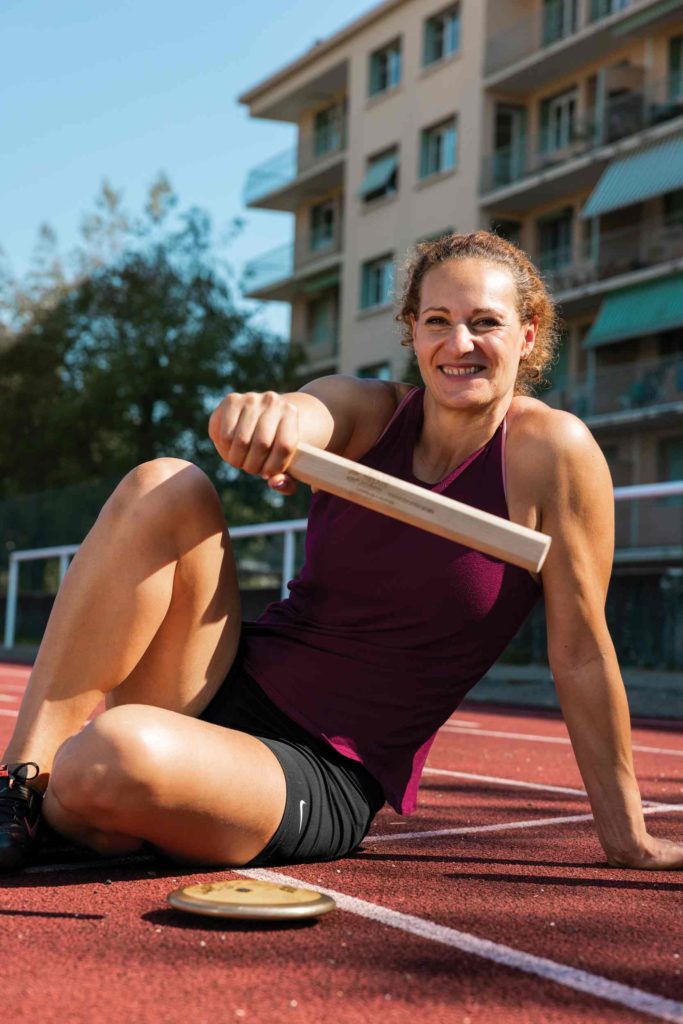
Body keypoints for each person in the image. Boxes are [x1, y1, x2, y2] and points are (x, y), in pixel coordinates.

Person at [1, 231, 681, 873]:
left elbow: (581, 653)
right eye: (438, 320)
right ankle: (18, 791)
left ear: (527, 334)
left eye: (485, 322)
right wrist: (261, 418)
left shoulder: (553, 453)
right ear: (412, 330)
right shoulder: (369, 411)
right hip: (216, 683)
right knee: (163, 482)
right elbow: (302, 413)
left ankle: (95, 804)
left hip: (320, 768)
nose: (459, 343)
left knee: (108, 755)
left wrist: (627, 836)